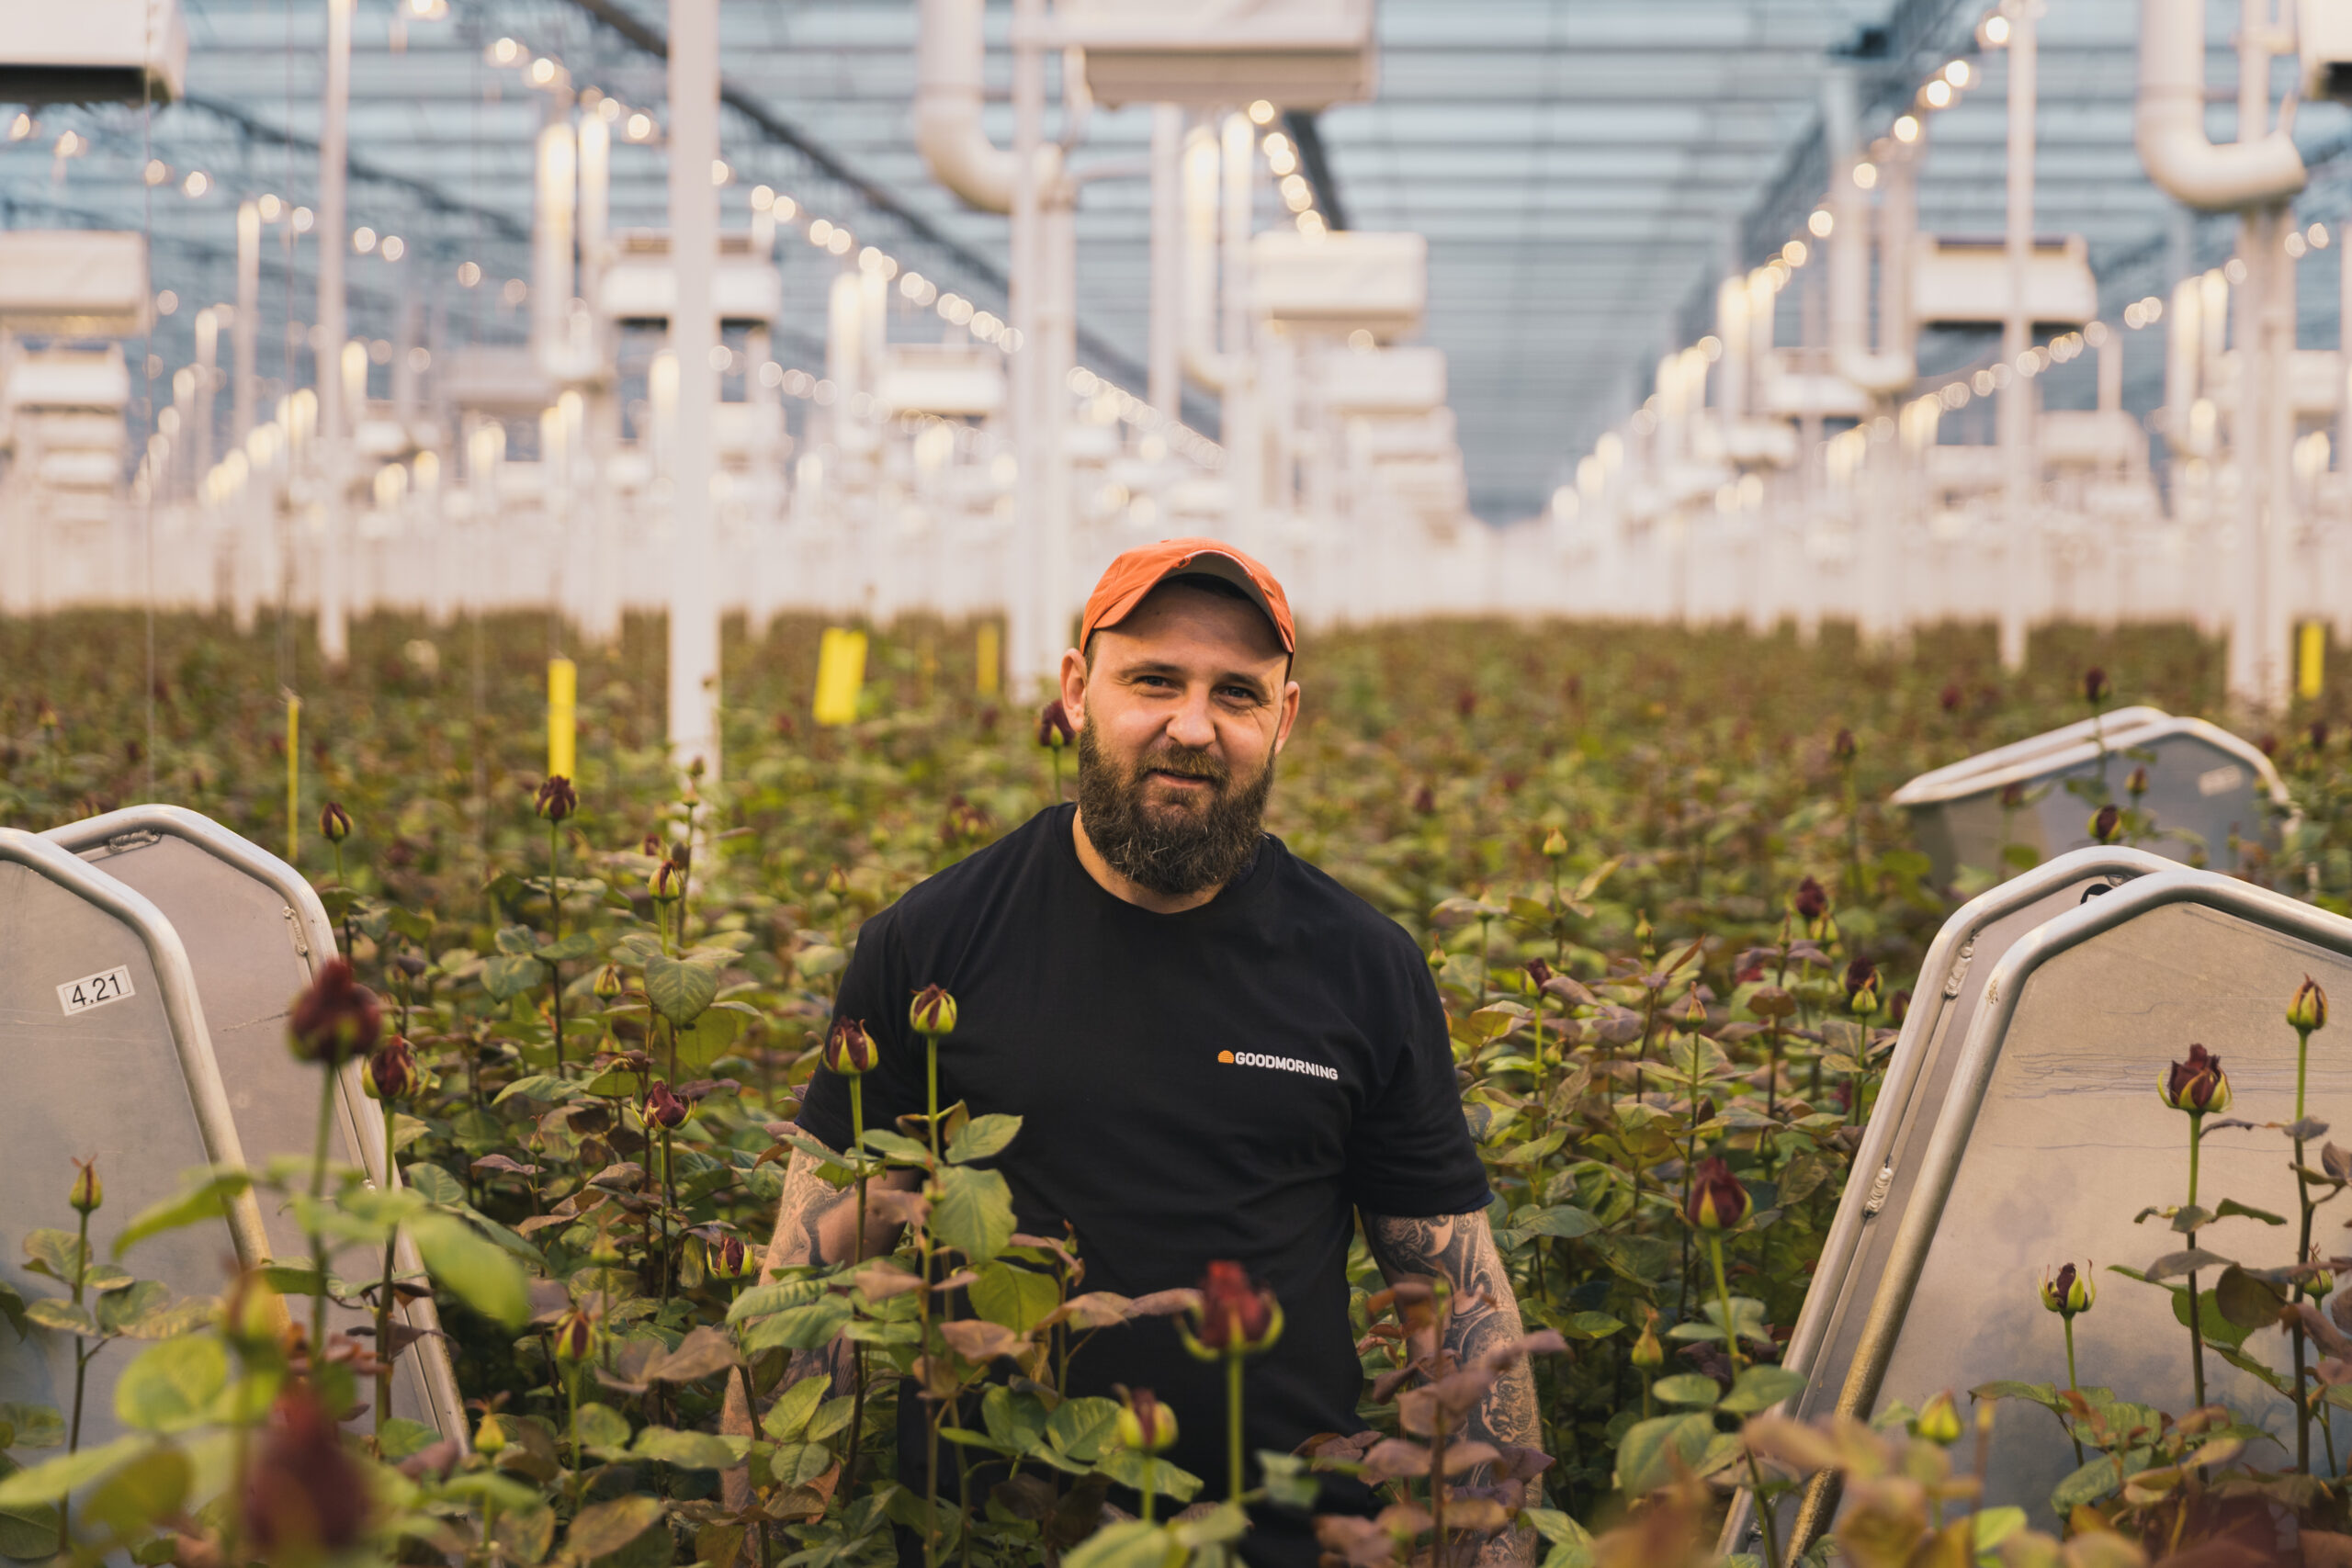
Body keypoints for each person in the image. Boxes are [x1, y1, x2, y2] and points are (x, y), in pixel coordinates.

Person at [748, 539, 1534, 1568]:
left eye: (1237, 694)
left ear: (1283, 720)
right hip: (986, 1543)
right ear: (1077, 692)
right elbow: (813, 1276)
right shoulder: (933, 943)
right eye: (1153, 680)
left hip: (1278, 1542)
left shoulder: (1363, 967)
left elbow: (1462, 1311)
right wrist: (756, 1526)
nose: (1192, 726)